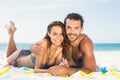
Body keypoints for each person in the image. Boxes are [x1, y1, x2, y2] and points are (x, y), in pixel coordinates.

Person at [5, 20, 70, 73]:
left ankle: (11, 30)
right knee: (8, 57)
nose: (58, 38)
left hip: (27, 55)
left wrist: (62, 66)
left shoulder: (60, 49)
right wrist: (48, 71)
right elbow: (36, 69)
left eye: (61, 34)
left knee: (12, 51)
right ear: (49, 34)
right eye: (55, 34)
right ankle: (11, 34)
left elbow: (56, 68)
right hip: (18, 57)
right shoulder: (45, 43)